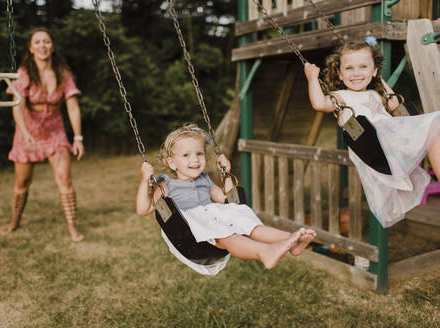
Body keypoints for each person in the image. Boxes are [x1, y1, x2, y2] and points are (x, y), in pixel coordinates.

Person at [136, 123, 316, 275]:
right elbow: (143, 209)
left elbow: (229, 201)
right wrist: (145, 180)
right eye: (186, 155)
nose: (195, 160)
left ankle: (293, 241)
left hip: (214, 218)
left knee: (248, 224)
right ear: (171, 162)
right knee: (227, 235)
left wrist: (226, 175)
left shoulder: (204, 180)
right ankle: (264, 252)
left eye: (199, 154)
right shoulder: (166, 185)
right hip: (193, 231)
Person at [304, 37, 440, 228]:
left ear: (374, 70)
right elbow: (319, 104)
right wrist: (312, 78)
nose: (357, 73)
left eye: (363, 67)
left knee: (436, 131)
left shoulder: (376, 94)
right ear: (340, 74)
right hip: (374, 142)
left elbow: (394, 104)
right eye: (349, 68)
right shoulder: (341, 97)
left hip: (391, 143)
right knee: (437, 123)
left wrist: (379, 80)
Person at [0, 28, 85, 242]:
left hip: (55, 132)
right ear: (31, 48)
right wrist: (25, 132)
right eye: (37, 42)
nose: (42, 46)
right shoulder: (24, 73)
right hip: (28, 132)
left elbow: (73, 107)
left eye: (46, 41)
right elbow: (16, 106)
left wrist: (77, 137)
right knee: (22, 183)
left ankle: (73, 228)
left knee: (65, 179)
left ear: (52, 46)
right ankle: (14, 221)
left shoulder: (62, 74)